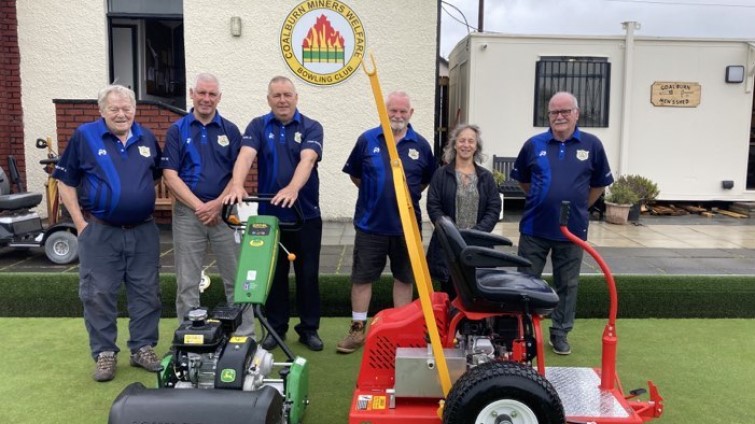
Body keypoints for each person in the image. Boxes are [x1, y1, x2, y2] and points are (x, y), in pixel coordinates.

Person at [53, 85, 163, 382]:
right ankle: (104, 353)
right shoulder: (85, 136)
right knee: (98, 293)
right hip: (100, 232)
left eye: (127, 108)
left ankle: (142, 348)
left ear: (135, 110)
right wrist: (80, 223)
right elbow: (65, 181)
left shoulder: (147, 137)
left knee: (147, 292)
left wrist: (132, 201)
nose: (121, 113)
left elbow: (151, 177)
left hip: (143, 232)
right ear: (101, 111)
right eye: (114, 108)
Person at [224, 76, 324, 351]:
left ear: (296, 97)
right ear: (268, 99)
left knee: (308, 275)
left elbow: (308, 159)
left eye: (287, 95)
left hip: (305, 216)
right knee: (274, 275)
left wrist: (293, 188)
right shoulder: (258, 125)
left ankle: (309, 328)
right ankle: (275, 328)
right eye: (276, 95)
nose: (282, 100)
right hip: (269, 218)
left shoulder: (311, 127)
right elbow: (245, 156)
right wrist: (237, 184)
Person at [510, 91, 614, 355]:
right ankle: (525, 334)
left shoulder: (592, 145)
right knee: (525, 282)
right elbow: (524, 181)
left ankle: (560, 333)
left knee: (567, 284)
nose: (560, 116)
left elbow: (599, 185)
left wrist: (577, 208)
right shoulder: (534, 145)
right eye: (554, 112)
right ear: (548, 116)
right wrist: (542, 199)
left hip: (572, 232)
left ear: (576, 114)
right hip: (534, 229)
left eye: (565, 111)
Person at [338, 91, 437, 354]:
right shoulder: (367, 140)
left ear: (411, 113)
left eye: (403, 111)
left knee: (404, 278)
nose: (398, 115)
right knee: (362, 278)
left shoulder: (421, 146)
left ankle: (400, 331)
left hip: (406, 227)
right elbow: (356, 176)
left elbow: (425, 180)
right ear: (385, 111)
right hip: (371, 225)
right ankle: (358, 331)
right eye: (393, 110)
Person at [161, 73, 255, 337]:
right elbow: (170, 175)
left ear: (219, 97)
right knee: (188, 281)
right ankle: (189, 335)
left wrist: (216, 205)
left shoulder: (231, 130)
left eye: (212, 94)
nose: (206, 99)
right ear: (192, 93)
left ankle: (244, 335)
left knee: (236, 279)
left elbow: (238, 175)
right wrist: (200, 207)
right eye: (201, 93)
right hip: (188, 215)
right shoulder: (177, 130)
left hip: (226, 212)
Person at [426, 124, 501, 300]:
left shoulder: (486, 177)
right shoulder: (441, 175)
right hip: (448, 246)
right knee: (450, 295)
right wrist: (450, 232)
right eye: (462, 140)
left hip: (478, 245)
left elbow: (493, 208)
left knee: (478, 297)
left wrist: (477, 233)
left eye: (471, 141)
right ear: (454, 144)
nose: (466, 145)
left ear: (476, 146)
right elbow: (433, 206)